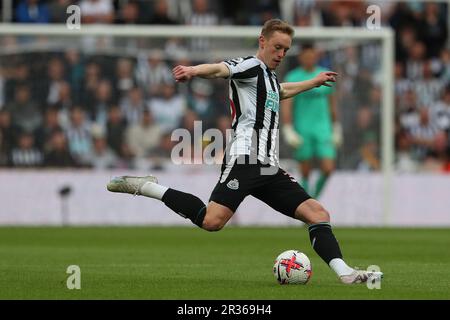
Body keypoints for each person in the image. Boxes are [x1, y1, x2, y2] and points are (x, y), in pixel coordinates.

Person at [107, 19, 382, 284]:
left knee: (317, 213)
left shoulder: (269, 78)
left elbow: (280, 91)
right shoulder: (249, 66)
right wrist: (192, 71)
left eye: (286, 49)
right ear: (262, 41)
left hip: (268, 167)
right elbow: (219, 69)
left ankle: (345, 272)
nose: (282, 54)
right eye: (277, 47)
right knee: (212, 221)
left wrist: (312, 82)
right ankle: (146, 187)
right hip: (245, 159)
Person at [281, 44, 342, 198]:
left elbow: (332, 104)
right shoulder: (293, 77)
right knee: (306, 172)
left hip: (324, 128)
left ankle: (313, 199)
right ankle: (308, 205)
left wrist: (336, 127)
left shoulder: (325, 76)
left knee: (328, 168)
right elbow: (287, 105)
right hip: (303, 128)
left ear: (316, 56)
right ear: (301, 57)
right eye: (306, 55)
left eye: (312, 55)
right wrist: (288, 128)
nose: (309, 58)